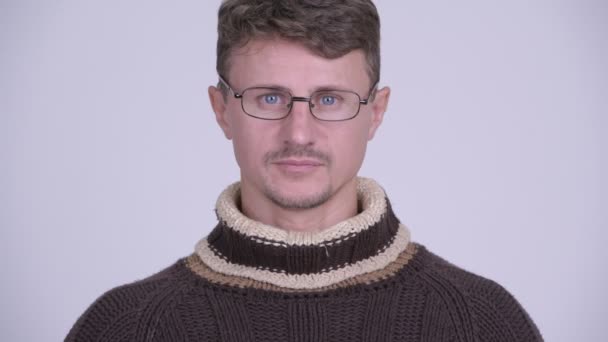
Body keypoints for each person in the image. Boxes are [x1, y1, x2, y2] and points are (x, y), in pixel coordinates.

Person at [66, 0, 543, 341]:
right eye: (269, 98)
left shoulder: (479, 322)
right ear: (221, 109)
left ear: (375, 112)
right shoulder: (126, 326)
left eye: (329, 99)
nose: (299, 133)